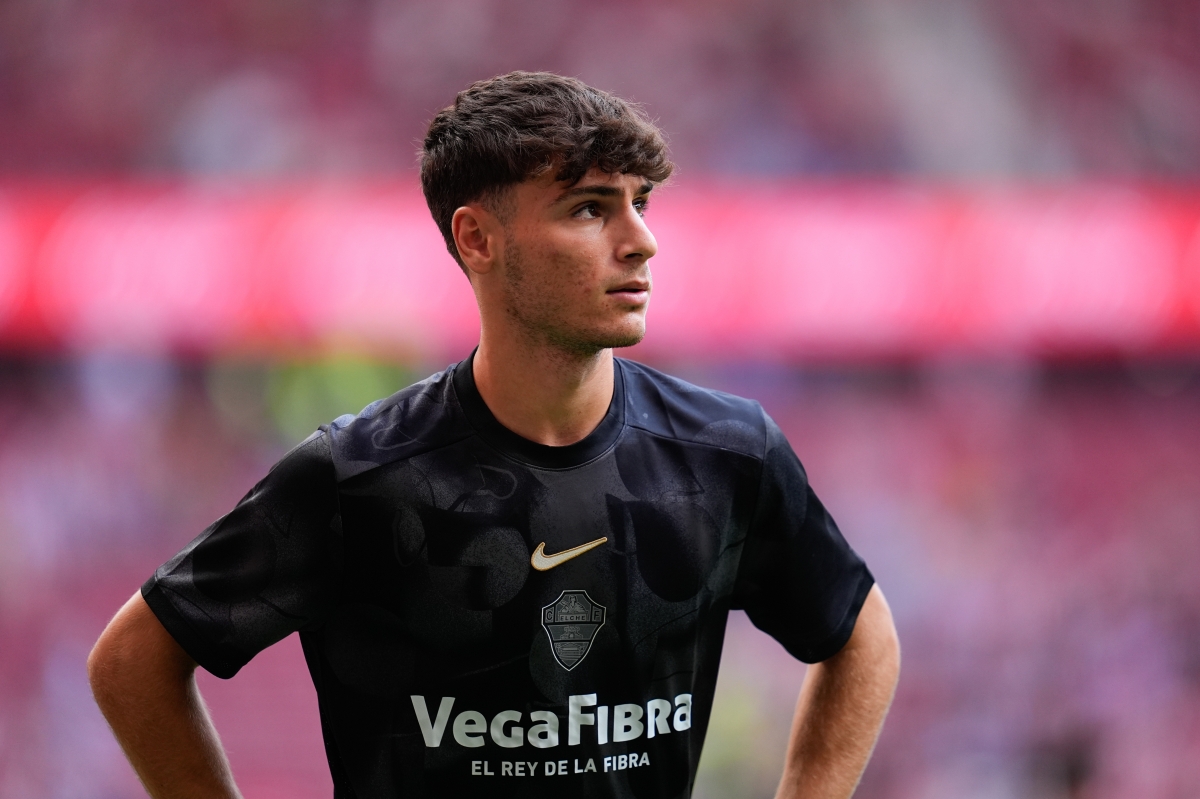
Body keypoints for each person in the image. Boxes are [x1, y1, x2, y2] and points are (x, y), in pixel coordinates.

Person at [88, 71, 900, 799]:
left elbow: (861, 635)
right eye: (589, 207)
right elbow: (133, 662)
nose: (641, 239)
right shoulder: (359, 476)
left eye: (639, 203)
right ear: (478, 239)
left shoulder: (727, 454)